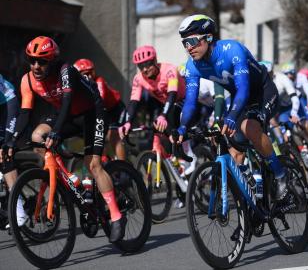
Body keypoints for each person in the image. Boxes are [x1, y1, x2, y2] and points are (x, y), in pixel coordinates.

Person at [3, 36, 126, 242]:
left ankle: (116, 216)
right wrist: (12, 141)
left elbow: (68, 100)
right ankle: (72, 179)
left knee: (93, 165)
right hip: (66, 114)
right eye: (31, 60)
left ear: (52, 61)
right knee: (36, 135)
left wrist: (57, 131)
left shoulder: (66, 70)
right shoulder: (27, 80)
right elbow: (24, 113)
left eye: (42, 61)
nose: (35, 66)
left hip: (91, 113)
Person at [175, 14, 289, 201]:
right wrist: (182, 127)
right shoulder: (193, 66)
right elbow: (190, 102)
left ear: (209, 37)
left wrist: (232, 115)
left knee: (249, 127)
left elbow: (244, 88)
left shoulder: (232, 49)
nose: (189, 48)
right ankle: (248, 214)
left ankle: (280, 174)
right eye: (185, 43)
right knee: (233, 151)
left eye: (193, 41)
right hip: (240, 98)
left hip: (262, 91)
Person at [118, 45, 191, 207]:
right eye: (141, 66)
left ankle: (186, 161)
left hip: (182, 101)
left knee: (172, 130)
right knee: (156, 131)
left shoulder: (169, 70)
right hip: (163, 104)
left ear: (155, 61)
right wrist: (127, 122)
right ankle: (179, 176)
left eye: (148, 64)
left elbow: (172, 94)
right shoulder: (138, 79)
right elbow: (133, 102)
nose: (145, 69)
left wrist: (164, 116)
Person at [74, 58, 127, 160]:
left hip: (115, 109)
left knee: (113, 136)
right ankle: (106, 161)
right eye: (85, 74)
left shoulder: (99, 81)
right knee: (98, 137)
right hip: (103, 111)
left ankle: (123, 168)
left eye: (91, 72)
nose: (89, 76)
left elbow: (100, 101)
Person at [0, 74, 27, 227]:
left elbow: (12, 103)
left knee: (4, 153)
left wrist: (8, 139)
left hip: (7, 107)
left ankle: (19, 210)